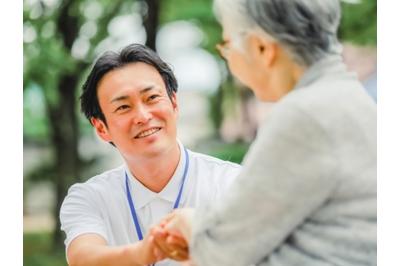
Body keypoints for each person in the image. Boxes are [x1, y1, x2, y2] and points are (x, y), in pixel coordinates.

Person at [153, 0, 377, 265]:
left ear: (262, 48)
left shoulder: (304, 114)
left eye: (227, 44)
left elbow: (225, 246)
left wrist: (187, 223)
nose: (229, 57)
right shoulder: (350, 98)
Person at [59, 43, 241, 266]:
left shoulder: (232, 183)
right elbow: (83, 258)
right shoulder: (90, 198)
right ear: (101, 128)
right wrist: (145, 252)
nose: (143, 116)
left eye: (152, 98)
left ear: (174, 103)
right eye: (123, 107)